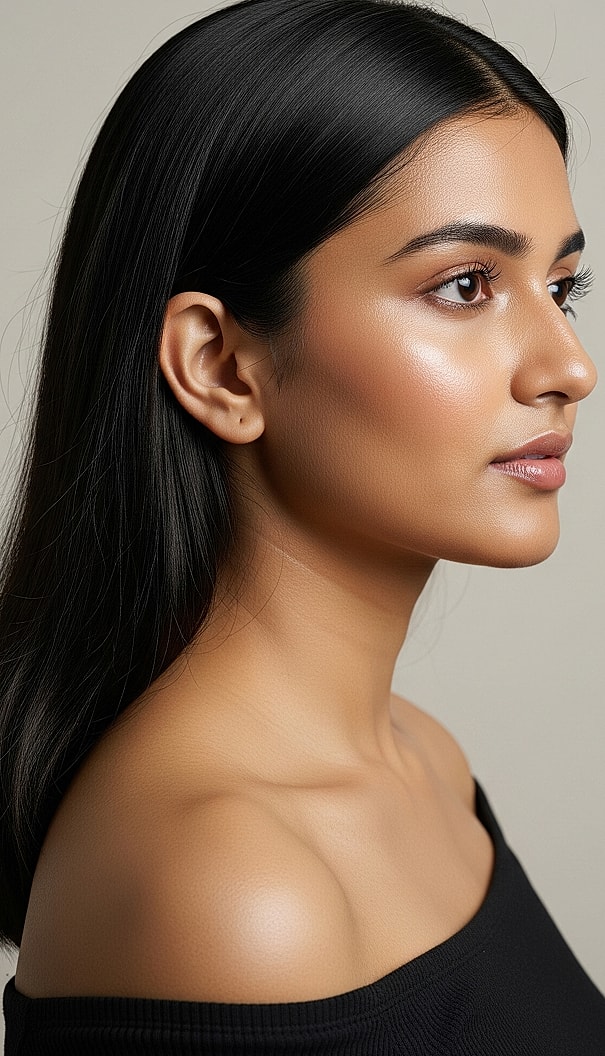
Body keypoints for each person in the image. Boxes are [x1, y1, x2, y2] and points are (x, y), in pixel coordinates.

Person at [1, 0, 604, 1051]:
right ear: (221, 367)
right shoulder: (229, 888)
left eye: (562, 286)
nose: (567, 367)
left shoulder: (424, 760)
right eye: (465, 285)